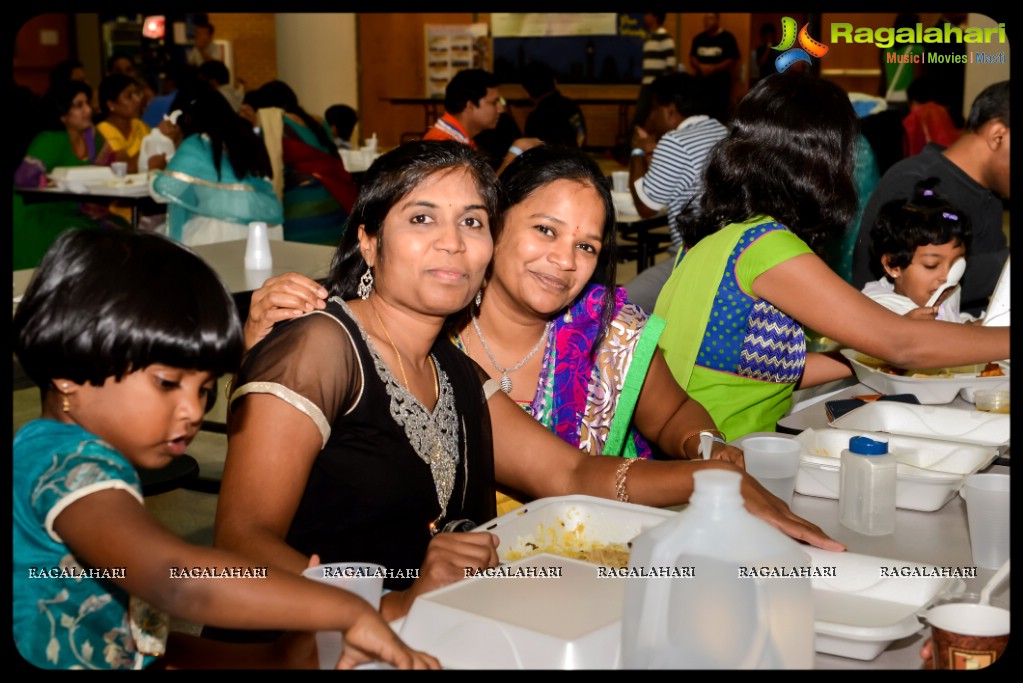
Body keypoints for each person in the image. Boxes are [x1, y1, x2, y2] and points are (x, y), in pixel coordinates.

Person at [214, 140, 842, 631]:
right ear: (369, 240)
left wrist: (710, 478)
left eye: (471, 222)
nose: (452, 243)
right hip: (318, 645)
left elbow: (570, 476)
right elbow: (239, 545)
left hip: (444, 630)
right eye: (423, 218)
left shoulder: (450, 369)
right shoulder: (319, 345)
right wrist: (384, 605)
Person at [12, 229, 440, 670]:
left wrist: (277, 656)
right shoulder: (64, 462)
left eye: (205, 390)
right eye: (167, 383)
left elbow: (132, 648)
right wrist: (343, 607)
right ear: (69, 368)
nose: (192, 411)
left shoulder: (78, 462)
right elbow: (174, 579)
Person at [246, 144, 747, 513]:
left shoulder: (598, 336)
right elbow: (246, 549)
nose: (564, 260)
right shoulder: (384, 330)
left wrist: (711, 461)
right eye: (546, 230)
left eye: (588, 247)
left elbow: (589, 461)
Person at [652, 72, 1010, 440]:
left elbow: (758, 369)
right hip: (727, 451)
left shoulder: (715, 237)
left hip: (696, 447)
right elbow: (905, 344)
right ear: (819, 161)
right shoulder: (767, 247)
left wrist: (870, 355)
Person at [852, 80, 1009, 316]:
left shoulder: (990, 193)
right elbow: (903, 291)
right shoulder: (915, 184)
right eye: (932, 264)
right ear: (998, 135)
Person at [624, 72, 727, 312]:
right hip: (724, 252)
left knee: (622, 306)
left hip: (692, 256)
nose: (651, 117)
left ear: (670, 109)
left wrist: (638, 152)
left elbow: (646, 207)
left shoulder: (675, 141)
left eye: (654, 109)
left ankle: (650, 349)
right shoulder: (721, 130)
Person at [151, 82, 283, 246]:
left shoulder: (199, 143)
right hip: (267, 232)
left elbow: (163, 191)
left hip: (223, 231)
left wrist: (154, 169)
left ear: (188, 118)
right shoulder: (247, 135)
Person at [13, 80, 117, 270]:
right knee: (83, 238)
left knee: (119, 228)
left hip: (67, 211)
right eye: (78, 105)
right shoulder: (52, 139)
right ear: (62, 114)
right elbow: (23, 178)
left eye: (87, 103)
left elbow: (112, 168)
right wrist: (61, 181)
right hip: (35, 213)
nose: (87, 110)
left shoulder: (92, 137)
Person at [254, 80, 357, 245]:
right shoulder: (318, 121)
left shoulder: (275, 124)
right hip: (334, 199)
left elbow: (265, 164)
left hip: (301, 205)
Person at [862, 179, 976, 323]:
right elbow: (866, 339)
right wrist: (903, 328)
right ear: (893, 265)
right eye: (931, 265)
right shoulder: (875, 307)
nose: (947, 277)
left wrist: (970, 325)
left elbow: (952, 320)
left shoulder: (947, 290)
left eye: (956, 264)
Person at [421, 68, 539, 174]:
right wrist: (515, 152)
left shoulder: (457, 138)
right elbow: (476, 196)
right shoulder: (443, 144)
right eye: (494, 102)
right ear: (470, 105)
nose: (501, 109)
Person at [520, 62, 586, 148]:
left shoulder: (535, 119)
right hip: (575, 159)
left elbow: (530, 153)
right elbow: (581, 137)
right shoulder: (572, 108)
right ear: (554, 82)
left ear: (529, 92)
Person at [688, 12, 740, 123]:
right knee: (700, 114)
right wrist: (701, 67)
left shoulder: (728, 38)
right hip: (701, 85)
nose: (707, 22)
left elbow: (732, 59)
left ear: (717, 19)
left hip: (720, 86)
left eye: (710, 19)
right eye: (705, 19)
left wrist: (714, 68)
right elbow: (692, 57)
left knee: (719, 116)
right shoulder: (698, 38)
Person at [96, 73, 151, 174]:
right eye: (129, 97)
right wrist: (153, 143)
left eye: (138, 94)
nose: (138, 101)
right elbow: (125, 168)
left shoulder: (138, 124)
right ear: (111, 104)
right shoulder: (104, 129)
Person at [631, 12, 676, 132]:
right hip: (647, 83)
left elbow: (671, 62)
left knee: (642, 117)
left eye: (647, 14)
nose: (644, 17)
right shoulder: (649, 36)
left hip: (656, 86)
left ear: (655, 17)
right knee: (643, 118)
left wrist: (661, 85)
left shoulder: (663, 36)